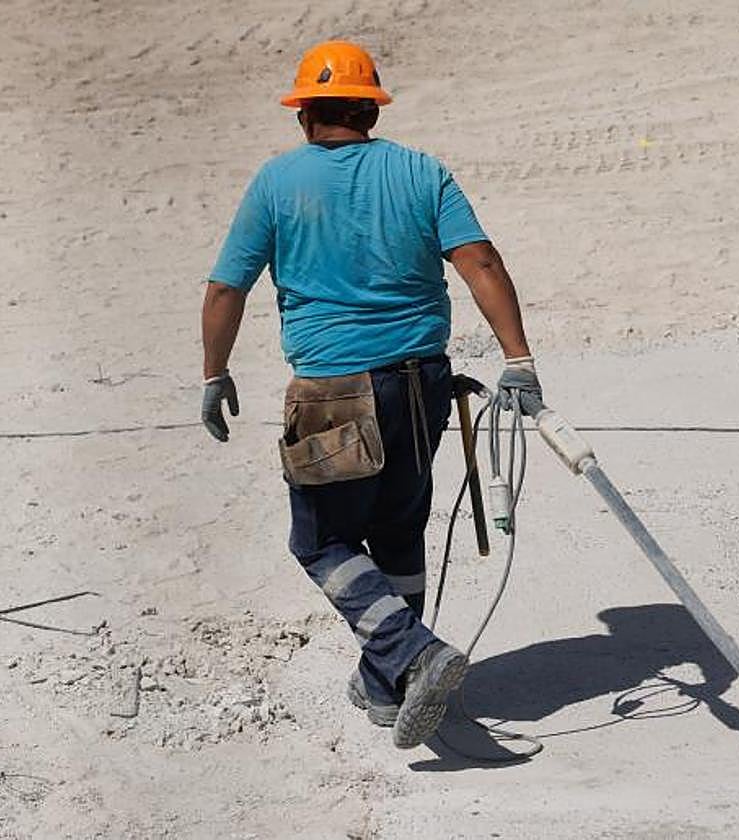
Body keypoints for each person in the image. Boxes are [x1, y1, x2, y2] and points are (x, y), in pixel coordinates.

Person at [200, 40, 542, 749]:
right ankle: (387, 685)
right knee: (395, 527)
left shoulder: (277, 182)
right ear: (369, 110)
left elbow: (227, 286)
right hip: (422, 385)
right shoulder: (420, 171)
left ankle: (415, 656)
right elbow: (479, 260)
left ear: (304, 116)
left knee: (321, 540)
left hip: (334, 391)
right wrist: (518, 359)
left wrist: (215, 372)